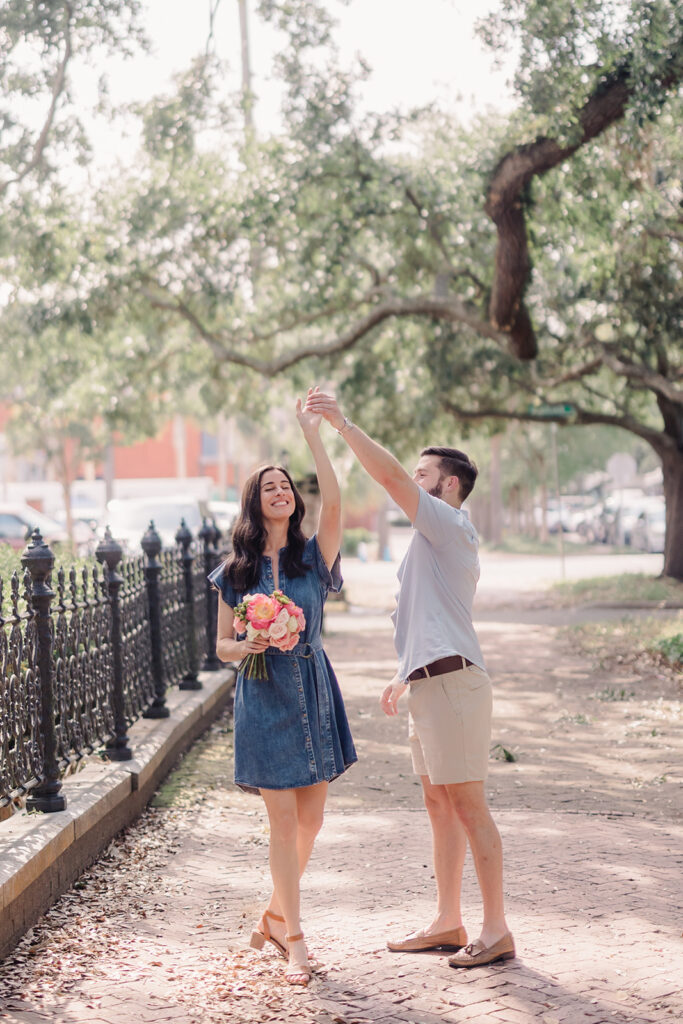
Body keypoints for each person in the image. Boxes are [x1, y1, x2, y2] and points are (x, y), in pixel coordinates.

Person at [304, 389, 514, 969]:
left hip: (454, 685)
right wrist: (404, 675)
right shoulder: (430, 540)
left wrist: (343, 425)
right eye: (416, 472)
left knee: (469, 806)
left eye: (424, 473)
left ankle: (496, 930)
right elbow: (428, 614)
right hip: (430, 684)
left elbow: (391, 477)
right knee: (438, 805)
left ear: (447, 486)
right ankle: (449, 921)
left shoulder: (449, 526)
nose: (411, 480)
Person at [209, 389, 357, 986]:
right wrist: (248, 646)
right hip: (263, 693)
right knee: (282, 824)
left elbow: (338, 500)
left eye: (287, 486)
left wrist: (315, 434)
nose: (280, 492)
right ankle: (294, 938)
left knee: (313, 821)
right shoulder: (235, 571)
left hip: (314, 688)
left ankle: (273, 914)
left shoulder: (311, 556)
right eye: (269, 486)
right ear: (255, 500)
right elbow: (219, 645)